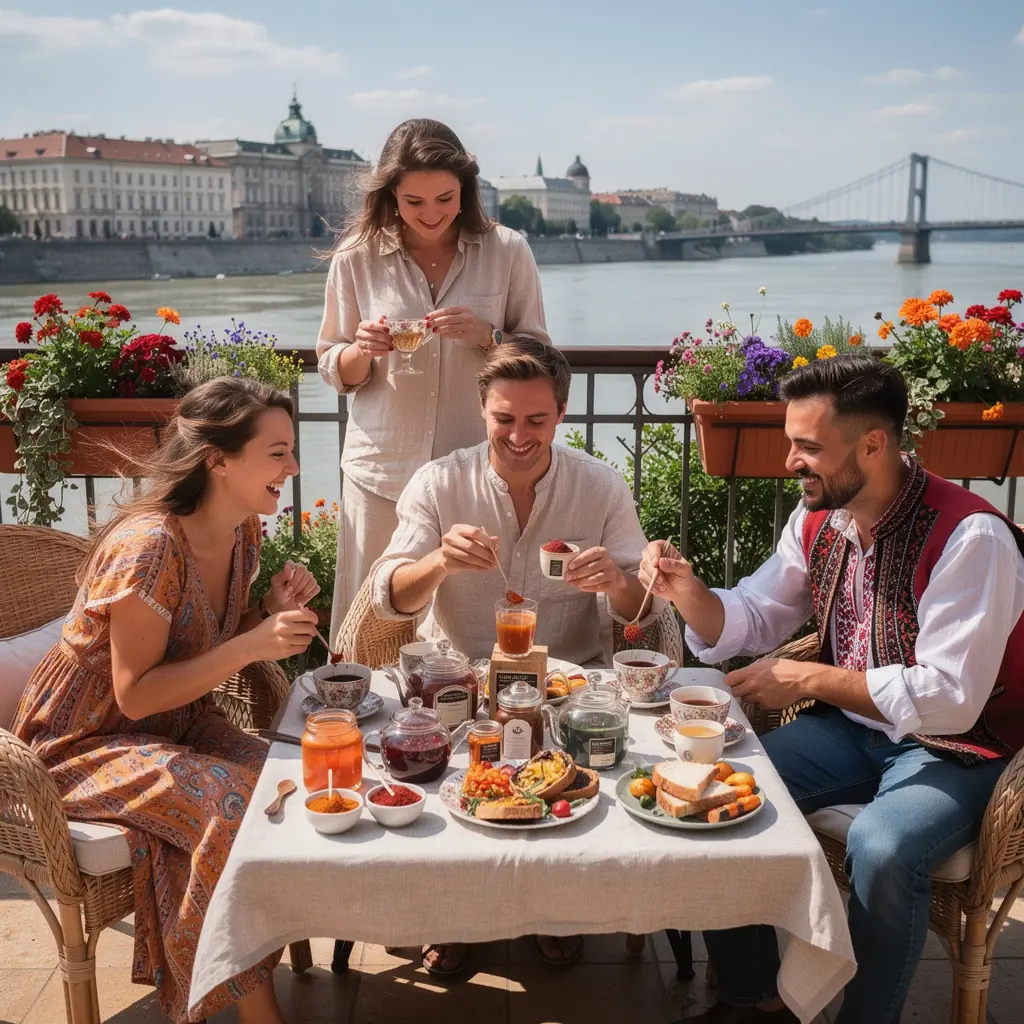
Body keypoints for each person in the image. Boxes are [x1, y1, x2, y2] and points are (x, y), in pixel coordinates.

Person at [639, 355, 1024, 1024]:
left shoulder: (972, 537)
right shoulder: (821, 517)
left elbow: (952, 699)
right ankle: (751, 995)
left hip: (965, 751)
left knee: (882, 846)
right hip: (854, 732)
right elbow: (756, 613)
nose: (790, 460)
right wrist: (688, 592)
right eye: (791, 440)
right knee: (716, 787)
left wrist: (807, 677)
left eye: (809, 446)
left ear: (873, 445)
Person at [14, 377, 321, 1024]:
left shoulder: (242, 536)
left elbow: (201, 652)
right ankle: (253, 1013)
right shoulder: (148, 551)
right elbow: (134, 690)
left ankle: (208, 987)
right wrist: (251, 646)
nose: (293, 467)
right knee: (230, 800)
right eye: (278, 453)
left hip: (174, 725)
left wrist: (265, 615)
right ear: (218, 460)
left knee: (291, 780)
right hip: (80, 746)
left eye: (292, 451)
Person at [370, 338, 664, 974]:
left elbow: (644, 611)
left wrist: (615, 583)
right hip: (461, 688)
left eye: (536, 419)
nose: (520, 434)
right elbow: (387, 595)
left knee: (562, 791)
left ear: (561, 415)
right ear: (483, 413)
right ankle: (456, 918)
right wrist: (439, 561)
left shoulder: (600, 485)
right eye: (505, 418)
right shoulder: (439, 481)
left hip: (572, 691)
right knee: (459, 784)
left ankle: (557, 910)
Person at [316, 117, 550, 644]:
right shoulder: (356, 257)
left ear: (465, 190)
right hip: (381, 472)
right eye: (413, 201)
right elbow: (333, 366)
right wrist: (363, 349)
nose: (431, 214)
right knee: (370, 624)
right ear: (390, 195)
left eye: (444, 198)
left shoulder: (508, 250)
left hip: (472, 474)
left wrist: (488, 335)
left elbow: (541, 357)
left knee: (469, 630)